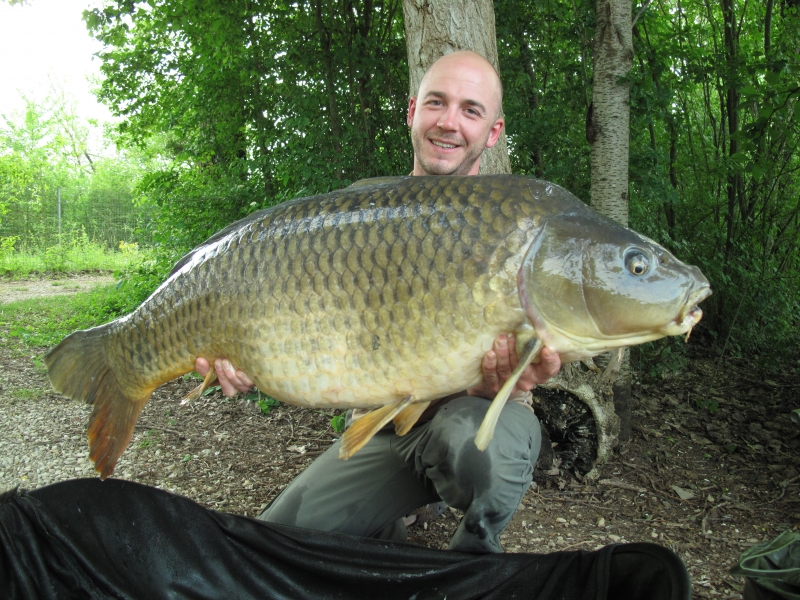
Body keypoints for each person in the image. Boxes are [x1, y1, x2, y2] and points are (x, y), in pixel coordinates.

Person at [195, 51, 562, 553]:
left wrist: (527, 368)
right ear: (412, 111)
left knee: (476, 452)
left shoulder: (518, 226)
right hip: (380, 429)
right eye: (437, 102)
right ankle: (379, 529)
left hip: (476, 419)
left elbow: (552, 337)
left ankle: (472, 561)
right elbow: (286, 322)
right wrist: (240, 351)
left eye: (470, 110)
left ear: (493, 132)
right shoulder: (354, 220)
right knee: (275, 551)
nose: (449, 122)